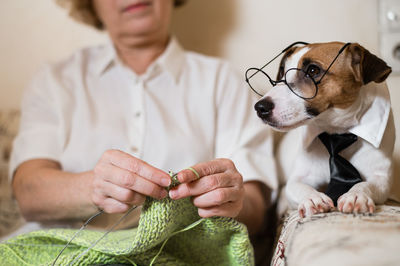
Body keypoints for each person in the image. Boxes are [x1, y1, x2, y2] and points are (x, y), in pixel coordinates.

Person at [9, 0, 277, 237]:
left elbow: (254, 208)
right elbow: (28, 194)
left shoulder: (225, 82)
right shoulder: (56, 81)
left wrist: (231, 200)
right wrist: (92, 187)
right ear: (90, 4)